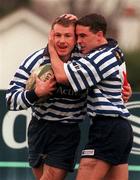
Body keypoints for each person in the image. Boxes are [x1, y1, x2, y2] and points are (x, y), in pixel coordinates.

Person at [48, 13, 133, 180]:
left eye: (83, 36)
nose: (79, 41)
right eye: (77, 36)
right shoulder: (113, 48)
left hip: (107, 128)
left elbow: (62, 76)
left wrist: (51, 48)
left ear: (99, 35)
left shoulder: (100, 57)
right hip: (120, 129)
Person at [6, 16, 87, 180]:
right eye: (58, 35)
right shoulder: (35, 60)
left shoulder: (85, 60)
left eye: (67, 35)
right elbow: (10, 99)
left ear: (76, 37)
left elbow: (108, 47)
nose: (62, 41)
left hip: (67, 129)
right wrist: (35, 93)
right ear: (50, 36)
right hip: (39, 128)